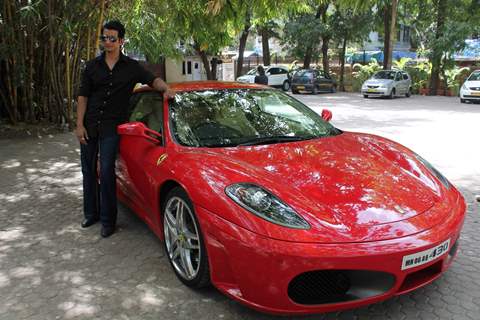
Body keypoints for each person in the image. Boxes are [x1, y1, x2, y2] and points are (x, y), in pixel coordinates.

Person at [75, 20, 175, 238]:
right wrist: (79, 125)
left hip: (112, 127)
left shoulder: (131, 67)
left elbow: (152, 79)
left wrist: (166, 89)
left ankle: (108, 221)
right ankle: (91, 213)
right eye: (104, 38)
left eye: (112, 38)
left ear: (121, 41)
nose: (107, 42)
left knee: (108, 171)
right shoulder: (92, 67)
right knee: (88, 171)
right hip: (90, 124)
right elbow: (82, 97)